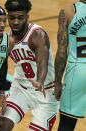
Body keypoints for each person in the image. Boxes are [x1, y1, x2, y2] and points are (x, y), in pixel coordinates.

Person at [0, 0, 59, 131]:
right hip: (20, 88)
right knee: (1, 125)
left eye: (20, 17)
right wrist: (1, 93)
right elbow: (1, 66)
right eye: (12, 18)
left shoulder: (37, 35)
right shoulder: (6, 40)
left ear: (27, 17)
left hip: (46, 92)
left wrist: (39, 81)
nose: (16, 22)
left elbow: (42, 62)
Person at [54, 0, 86, 131]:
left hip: (77, 71)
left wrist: (57, 81)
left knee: (66, 126)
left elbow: (62, 53)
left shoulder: (67, 11)